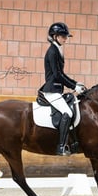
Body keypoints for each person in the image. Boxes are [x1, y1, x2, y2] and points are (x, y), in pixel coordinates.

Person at [39, 22, 85, 156]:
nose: (65, 39)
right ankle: (61, 146)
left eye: (66, 36)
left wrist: (76, 84)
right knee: (68, 113)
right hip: (51, 90)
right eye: (63, 36)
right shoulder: (52, 51)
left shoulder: (57, 49)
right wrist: (73, 86)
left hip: (57, 89)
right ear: (54, 36)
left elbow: (62, 74)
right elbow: (57, 75)